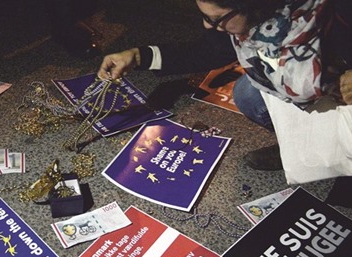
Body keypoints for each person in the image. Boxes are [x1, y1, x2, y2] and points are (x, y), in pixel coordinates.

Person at [97, 0, 352, 171]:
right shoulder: (253, 21)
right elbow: (206, 51)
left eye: (216, 18)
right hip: (319, 87)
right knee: (248, 95)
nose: (208, 26)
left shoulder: (336, 11)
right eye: (204, 16)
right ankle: (305, 142)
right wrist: (138, 56)